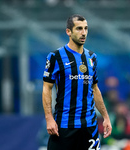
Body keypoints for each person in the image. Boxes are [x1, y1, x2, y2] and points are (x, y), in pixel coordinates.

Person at [42, 14, 112, 150]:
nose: (83, 33)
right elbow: (47, 88)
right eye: (79, 29)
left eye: (86, 28)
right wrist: (49, 118)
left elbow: (95, 88)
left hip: (89, 126)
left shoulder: (92, 57)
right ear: (68, 31)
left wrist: (105, 116)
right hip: (64, 126)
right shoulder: (55, 57)